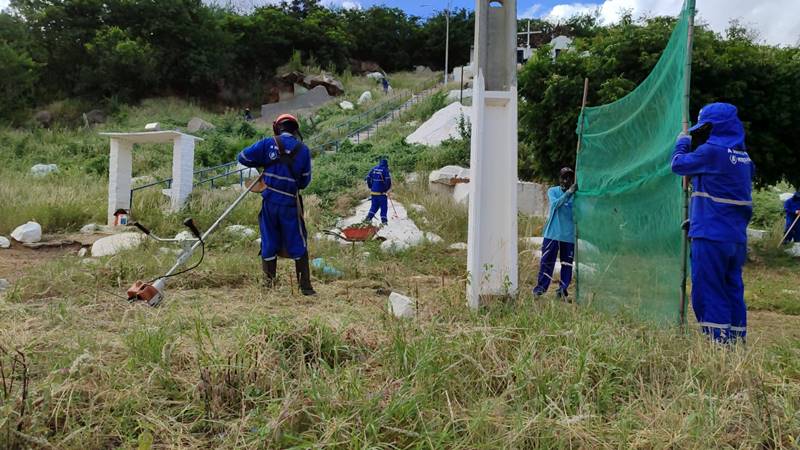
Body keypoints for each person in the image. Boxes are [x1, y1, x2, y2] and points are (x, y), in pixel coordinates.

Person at [671, 102, 754, 343]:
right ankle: (736, 344)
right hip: (735, 238)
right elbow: (723, 191)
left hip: (710, 236)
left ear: (713, 127)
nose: (702, 135)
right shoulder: (745, 159)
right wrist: (696, 218)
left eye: (704, 129)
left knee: (709, 290)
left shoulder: (710, 152)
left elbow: (678, 165)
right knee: (732, 289)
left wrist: (682, 142)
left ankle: (716, 344)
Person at [237, 113, 316, 295]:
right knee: (297, 239)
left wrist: (264, 161)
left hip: (269, 202)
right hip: (289, 203)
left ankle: (268, 285)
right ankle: (305, 287)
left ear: (277, 127)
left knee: (269, 238)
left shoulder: (267, 143)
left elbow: (243, 157)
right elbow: (304, 182)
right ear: (295, 130)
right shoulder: (303, 150)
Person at [533, 167, 577, 300]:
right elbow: (555, 204)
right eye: (564, 177)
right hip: (552, 234)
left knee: (567, 264)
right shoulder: (553, 191)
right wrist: (568, 193)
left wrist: (573, 194)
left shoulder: (576, 196)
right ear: (559, 178)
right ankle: (540, 290)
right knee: (547, 262)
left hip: (568, 236)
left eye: (569, 177)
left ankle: (562, 291)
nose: (566, 180)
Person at [364, 158, 392, 225]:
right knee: (384, 207)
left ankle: (368, 219)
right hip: (381, 194)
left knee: (374, 207)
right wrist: (386, 189)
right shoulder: (385, 170)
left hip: (373, 193)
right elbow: (388, 181)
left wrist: (370, 186)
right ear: (386, 164)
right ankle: (384, 222)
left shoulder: (374, 168)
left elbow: (368, 177)